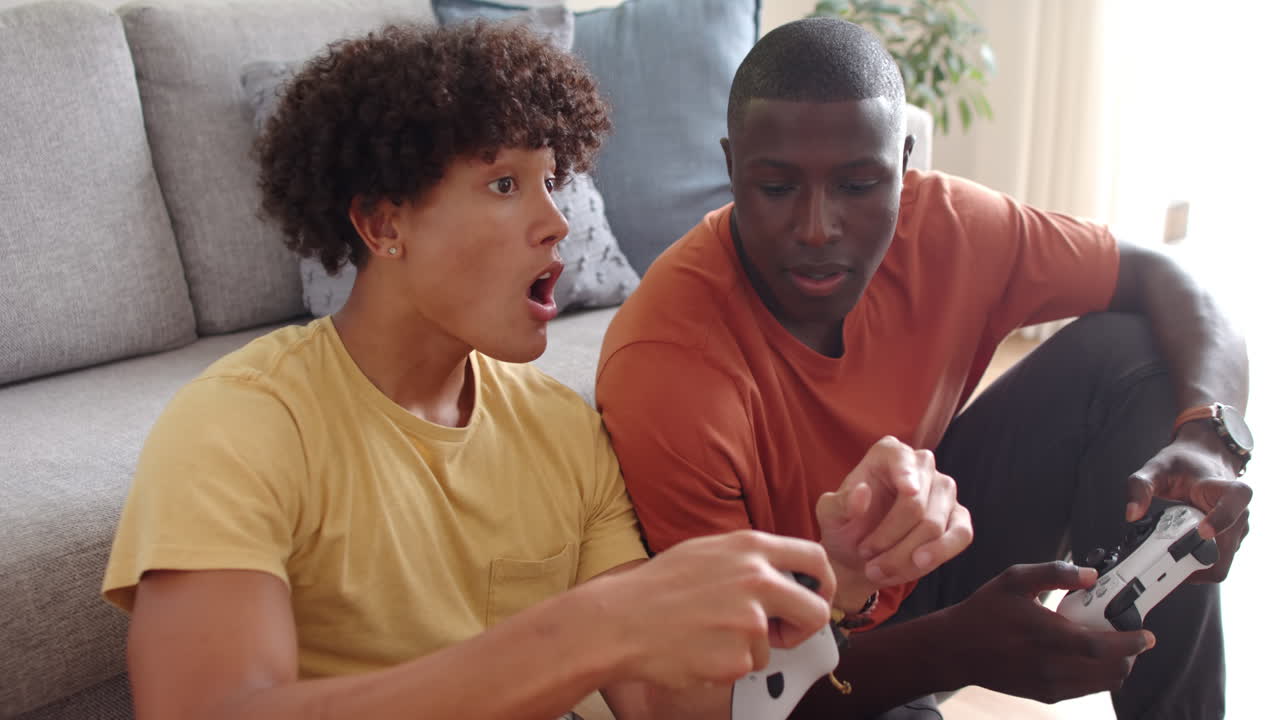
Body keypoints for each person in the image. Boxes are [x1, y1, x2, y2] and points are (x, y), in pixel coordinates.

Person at [97, 21, 891, 720]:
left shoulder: (563, 431)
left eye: (553, 180)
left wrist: (832, 586)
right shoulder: (240, 428)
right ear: (382, 223)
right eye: (505, 184)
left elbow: (659, 705)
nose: (555, 222)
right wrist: (588, 630)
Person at [596, 17, 1252, 720]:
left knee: (1135, 360)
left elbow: (1173, 282)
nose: (818, 228)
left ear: (903, 165)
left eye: (858, 185)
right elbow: (733, 695)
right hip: (799, 655)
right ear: (731, 167)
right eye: (778, 188)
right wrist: (951, 649)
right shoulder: (667, 365)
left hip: (928, 562)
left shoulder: (950, 227)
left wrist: (1210, 438)